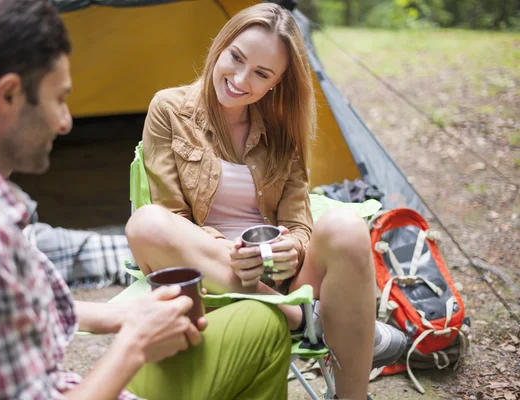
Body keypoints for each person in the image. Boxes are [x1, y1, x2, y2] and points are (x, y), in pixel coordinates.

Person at [0, 1, 292, 399]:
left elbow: (18, 308)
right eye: (59, 99)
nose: (65, 122)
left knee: (260, 321)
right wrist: (135, 344)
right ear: (8, 94)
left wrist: (120, 315)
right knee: (266, 332)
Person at [126, 4, 407, 400]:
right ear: (220, 47)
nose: (240, 79)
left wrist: (289, 248)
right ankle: (299, 317)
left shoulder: (280, 127)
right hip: (209, 278)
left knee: (347, 226)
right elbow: (173, 215)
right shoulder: (169, 110)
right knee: (146, 223)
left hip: (281, 278)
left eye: (261, 74)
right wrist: (231, 253)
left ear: (276, 82)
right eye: (236, 58)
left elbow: (298, 223)